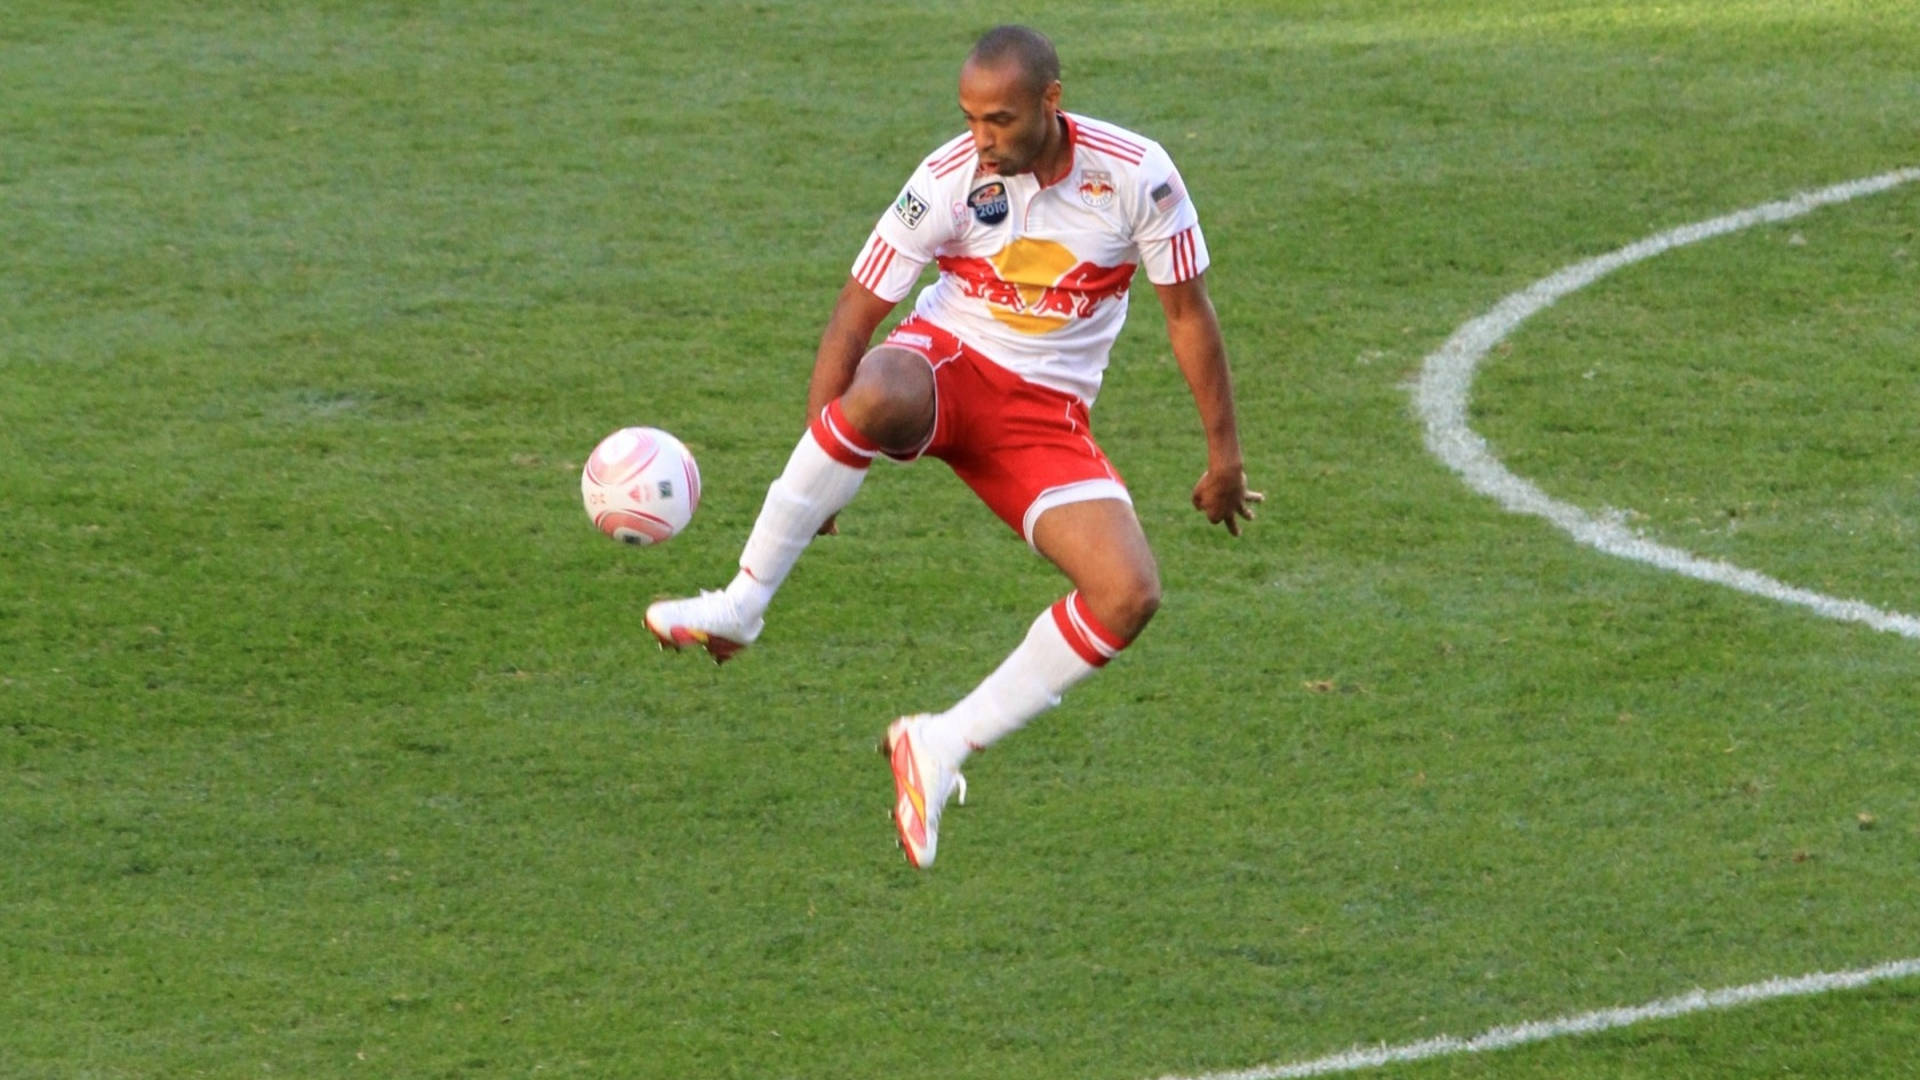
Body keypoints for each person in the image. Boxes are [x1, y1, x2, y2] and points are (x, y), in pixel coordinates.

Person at [645, 24, 1261, 869]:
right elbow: (855, 316)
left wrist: (1223, 459)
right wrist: (821, 476)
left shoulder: (1136, 176)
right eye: (970, 118)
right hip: (947, 364)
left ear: (1052, 101)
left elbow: (1189, 316)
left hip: (1043, 417)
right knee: (882, 385)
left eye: (1000, 120)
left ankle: (941, 742)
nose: (982, 138)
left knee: (1129, 593)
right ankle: (743, 600)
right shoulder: (946, 179)